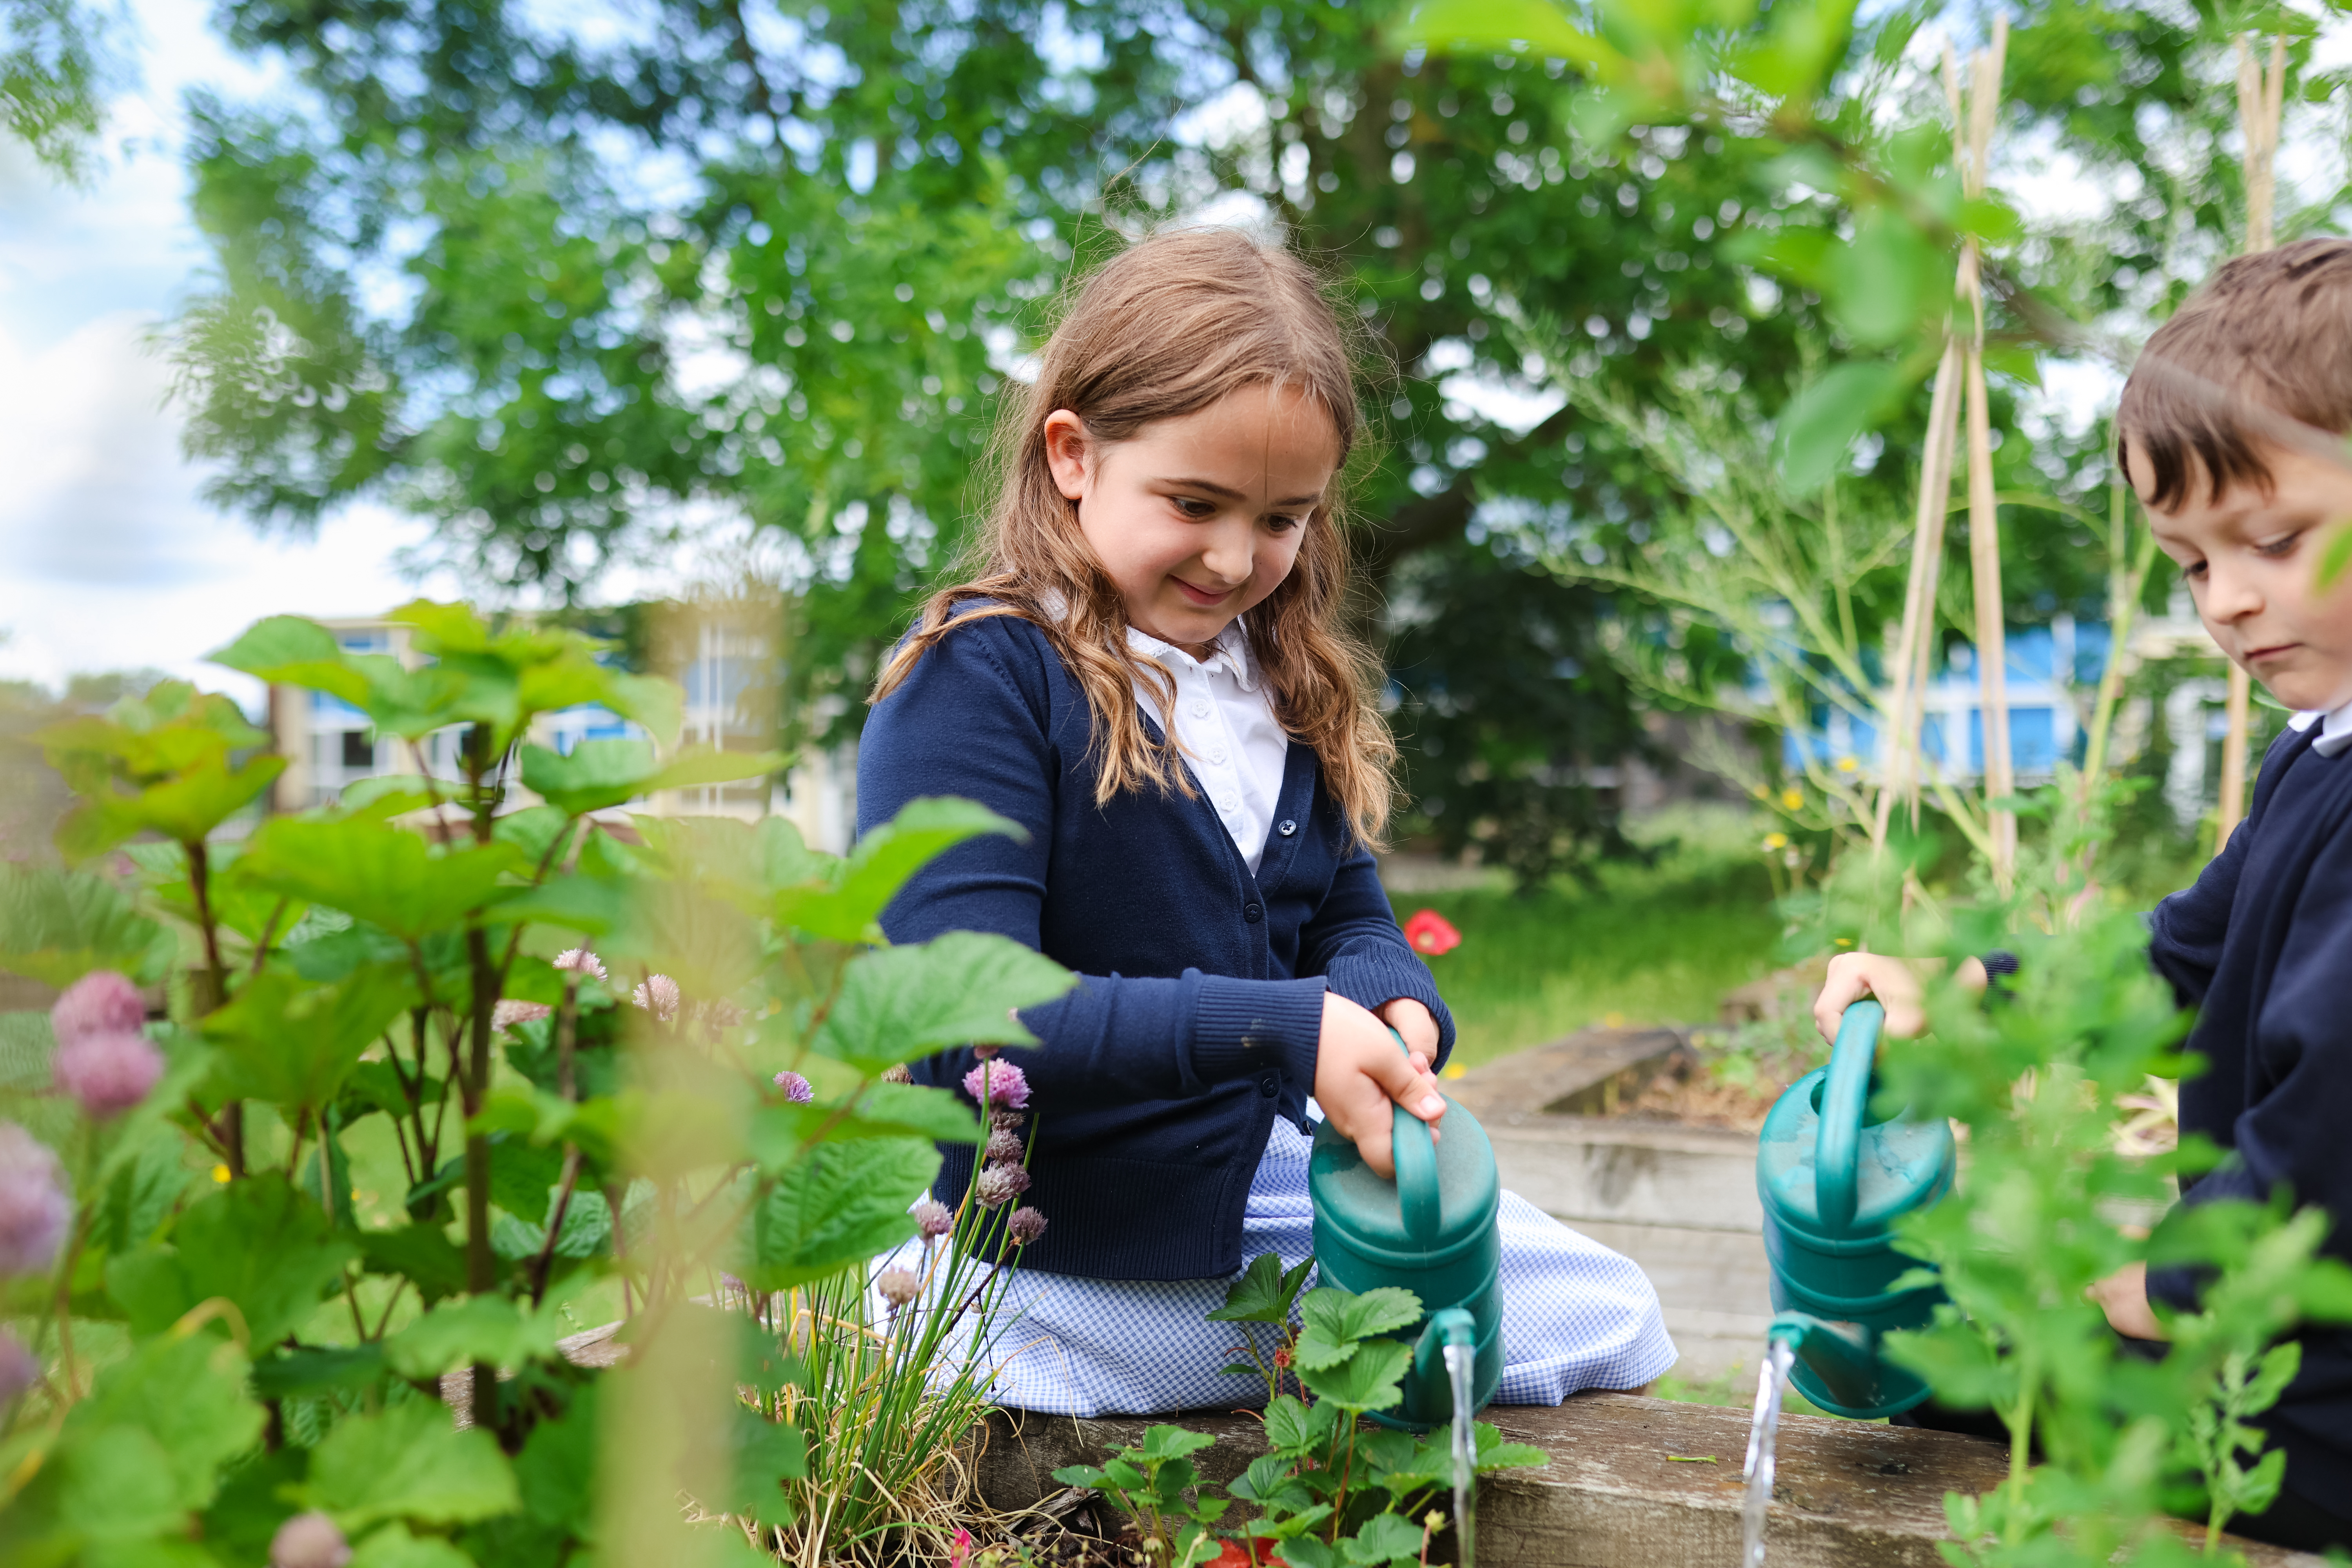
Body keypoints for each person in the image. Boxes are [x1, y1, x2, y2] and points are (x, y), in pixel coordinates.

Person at [856, 226, 1674, 1416]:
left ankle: (1158, 1370)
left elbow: (1344, 910)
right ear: (1074, 456)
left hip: (1253, 1182)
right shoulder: (980, 679)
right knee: (1474, 1338)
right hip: (1064, 1241)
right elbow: (961, 1025)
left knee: (1609, 1309)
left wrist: (1388, 999)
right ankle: (974, 1342)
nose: (1237, 559)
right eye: (1194, 503)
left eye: (1285, 519)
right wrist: (1280, 1027)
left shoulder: (1271, 677)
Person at [1814, 238, 2352, 1553]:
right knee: (1942, 1370)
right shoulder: (2317, 755)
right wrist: (1969, 987)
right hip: (2277, 1348)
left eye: (2274, 542)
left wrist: (2173, 1278)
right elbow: (2178, 960)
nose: (2229, 602)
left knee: (1945, 1393)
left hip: (2311, 1407)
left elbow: (2337, 1114)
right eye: (2191, 564)